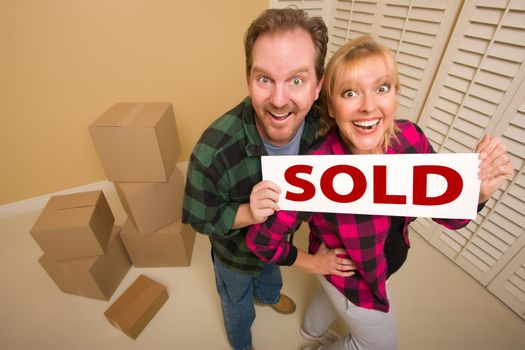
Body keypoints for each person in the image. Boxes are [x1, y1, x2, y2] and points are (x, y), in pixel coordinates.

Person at [246, 35, 514, 350]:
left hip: (380, 265)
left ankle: (310, 335)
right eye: (350, 93)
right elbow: (260, 241)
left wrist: (478, 193)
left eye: (382, 88)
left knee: (328, 294)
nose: (368, 106)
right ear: (331, 106)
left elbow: (451, 218)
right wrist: (313, 264)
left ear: (394, 95)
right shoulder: (313, 169)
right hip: (353, 280)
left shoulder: (410, 139)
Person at [182, 8, 345, 350]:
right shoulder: (213, 151)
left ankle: (269, 296)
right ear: (248, 79)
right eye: (265, 79)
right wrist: (248, 213)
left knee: (271, 275)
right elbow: (201, 218)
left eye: (297, 80)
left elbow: (384, 164)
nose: (279, 100)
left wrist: (474, 190)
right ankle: (242, 343)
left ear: (318, 86)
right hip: (235, 258)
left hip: (280, 244)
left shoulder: (327, 126)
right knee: (238, 307)